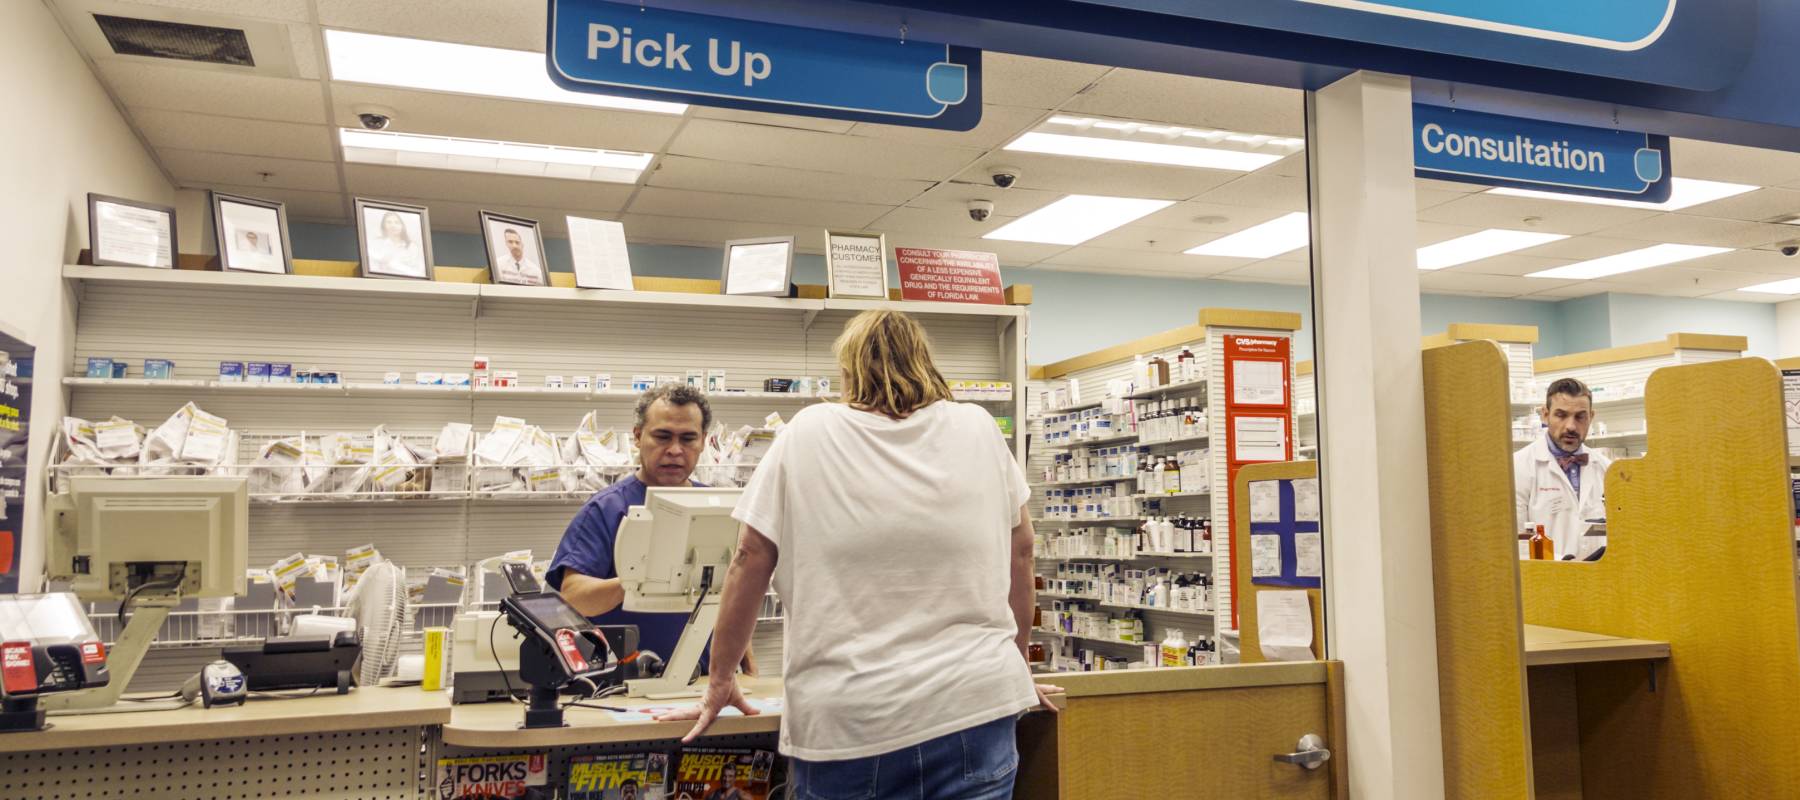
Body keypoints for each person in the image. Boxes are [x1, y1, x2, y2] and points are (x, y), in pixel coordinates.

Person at [658, 309, 1059, 800]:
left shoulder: (810, 430)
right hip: (976, 707)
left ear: (848, 369)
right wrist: (1015, 662)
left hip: (851, 718)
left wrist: (720, 678)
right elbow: (1023, 550)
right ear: (924, 361)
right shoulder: (978, 427)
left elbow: (750, 556)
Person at [547, 384, 751, 675]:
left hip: (701, 681)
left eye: (688, 438)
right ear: (637, 436)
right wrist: (639, 581)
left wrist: (746, 660)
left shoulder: (716, 508)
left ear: (703, 442)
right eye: (662, 436)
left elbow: (728, 594)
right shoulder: (606, 509)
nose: (675, 450)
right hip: (623, 685)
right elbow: (573, 597)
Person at [1514, 377, 1612, 560]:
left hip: (1599, 574)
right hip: (1547, 574)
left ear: (1591, 417)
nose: (1571, 426)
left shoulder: (1607, 469)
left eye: (1580, 416)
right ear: (1545, 415)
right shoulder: (1518, 467)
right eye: (1561, 415)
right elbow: (1516, 541)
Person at [366, 210, 423, 276]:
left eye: (397, 222)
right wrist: (381, 265)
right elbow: (371, 267)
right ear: (384, 226)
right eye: (389, 222)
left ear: (402, 226)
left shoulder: (412, 246)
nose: (393, 225)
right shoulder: (376, 243)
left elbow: (418, 271)